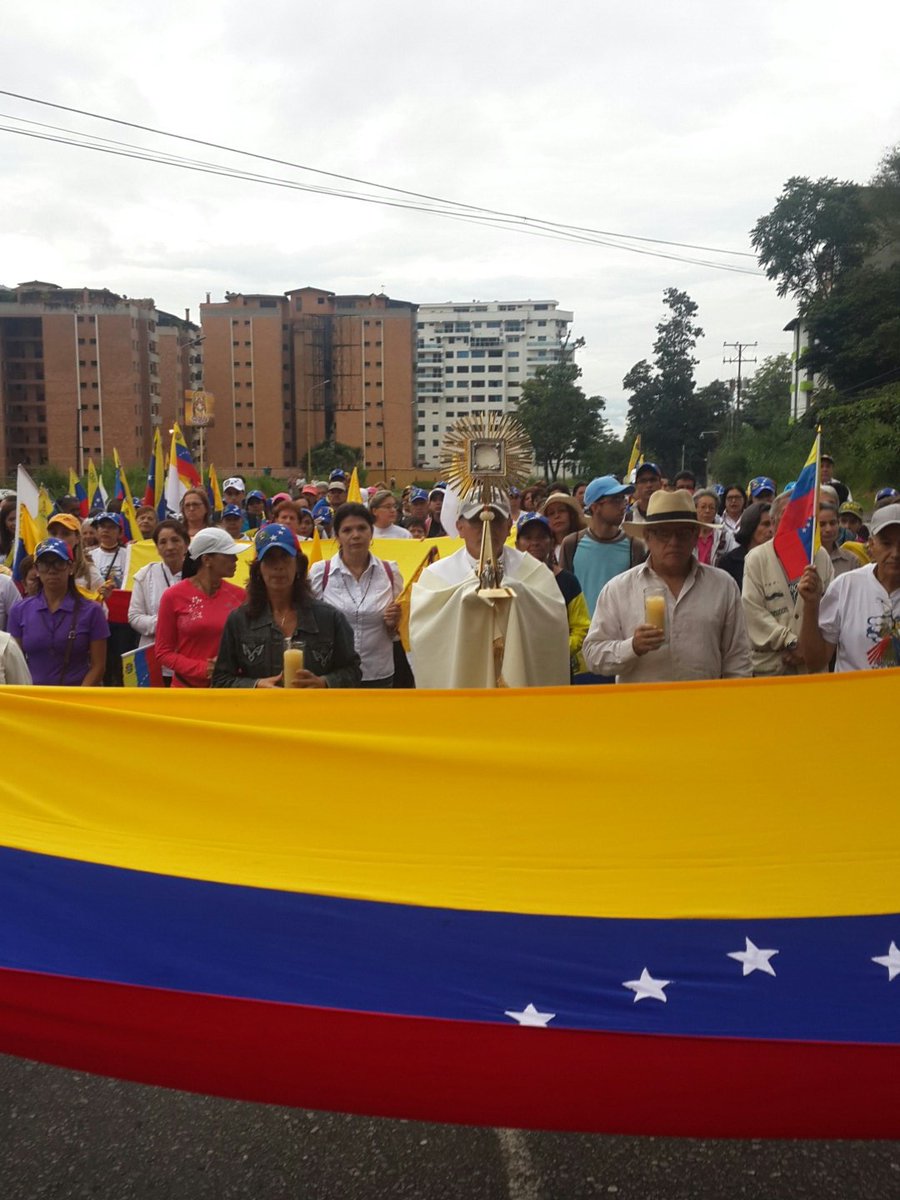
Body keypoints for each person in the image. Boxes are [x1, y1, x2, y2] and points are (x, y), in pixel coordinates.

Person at [581, 490, 751, 684]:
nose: (674, 542)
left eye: (683, 533)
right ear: (647, 537)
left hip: (703, 706)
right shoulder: (619, 589)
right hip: (642, 708)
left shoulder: (722, 586)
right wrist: (632, 647)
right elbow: (593, 655)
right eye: (663, 533)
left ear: (696, 536)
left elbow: (738, 659)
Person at [409, 493, 569, 688]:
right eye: (477, 521)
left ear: (509, 525)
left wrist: (519, 596)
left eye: (496, 520)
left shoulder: (535, 572)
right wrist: (461, 600)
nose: (487, 529)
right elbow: (423, 637)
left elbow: (554, 627)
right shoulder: (436, 576)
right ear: (460, 527)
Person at [212, 525, 361, 689]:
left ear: (298, 565)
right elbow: (220, 680)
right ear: (258, 569)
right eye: (270, 559)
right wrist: (256, 685)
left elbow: (353, 672)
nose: (278, 566)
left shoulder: (330, 618)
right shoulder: (239, 620)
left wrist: (324, 682)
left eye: (285, 557)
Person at [797, 503, 900, 672]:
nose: (896, 553)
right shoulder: (846, 586)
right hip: (853, 696)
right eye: (887, 543)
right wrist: (811, 606)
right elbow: (816, 662)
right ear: (871, 545)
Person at [308, 503, 402, 688]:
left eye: (361, 528)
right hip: (334, 675)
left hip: (378, 674)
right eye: (347, 530)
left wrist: (395, 623)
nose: (355, 535)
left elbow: (399, 632)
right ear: (337, 536)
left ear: (371, 532)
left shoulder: (390, 572)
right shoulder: (321, 573)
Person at [740, 490, 833, 677]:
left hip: (811, 669)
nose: (795, 522)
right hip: (772, 670)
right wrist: (790, 641)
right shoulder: (756, 559)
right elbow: (753, 612)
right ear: (773, 524)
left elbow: (830, 609)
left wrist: (808, 648)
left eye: (800, 516)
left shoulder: (820, 556)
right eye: (787, 517)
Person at [8, 537, 108, 686]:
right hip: (32, 700)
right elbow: (14, 663)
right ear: (36, 570)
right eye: (44, 564)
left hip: (76, 701)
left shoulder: (92, 611)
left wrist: (78, 696)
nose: (51, 570)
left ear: (71, 568)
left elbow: (98, 666)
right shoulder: (19, 611)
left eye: (59, 563)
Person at [155, 527, 245, 688]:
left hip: (230, 689)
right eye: (228, 555)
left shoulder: (241, 596)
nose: (236, 559)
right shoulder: (172, 596)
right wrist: (204, 669)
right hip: (185, 691)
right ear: (207, 560)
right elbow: (163, 652)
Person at [516, 513, 590, 681]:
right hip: (520, 668)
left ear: (551, 542)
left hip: (558, 669)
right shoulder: (509, 582)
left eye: (542, 537)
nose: (535, 543)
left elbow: (581, 627)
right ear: (517, 544)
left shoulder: (567, 581)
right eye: (528, 537)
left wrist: (558, 650)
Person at [559, 476, 645, 617]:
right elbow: (563, 592)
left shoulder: (634, 546)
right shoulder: (571, 543)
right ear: (595, 507)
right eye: (615, 500)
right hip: (581, 633)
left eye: (623, 499)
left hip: (618, 634)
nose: (623, 505)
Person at [128, 519, 189, 681]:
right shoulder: (145, 575)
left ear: (186, 544)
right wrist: (164, 624)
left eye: (175, 540)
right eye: (163, 542)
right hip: (154, 660)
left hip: (191, 659)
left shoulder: (200, 575)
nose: (169, 547)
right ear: (157, 548)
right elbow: (134, 616)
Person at [718, 502, 772, 592]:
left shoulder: (781, 559)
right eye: (766, 524)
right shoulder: (729, 562)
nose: (771, 529)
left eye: (774, 523)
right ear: (751, 526)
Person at [693, 489, 736, 567]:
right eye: (703, 507)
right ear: (695, 509)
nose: (707, 510)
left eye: (711, 508)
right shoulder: (688, 536)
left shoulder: (726, 537)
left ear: (716, 511)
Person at [820, 504, 863, 578]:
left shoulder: (852, 560)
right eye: (822, 524)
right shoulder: (805, 559)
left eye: (832, 523)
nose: (828, 529)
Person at [88, 513, 128, 591]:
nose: (106, 530)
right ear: (97, 530)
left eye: (111, 527)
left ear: (120, 533)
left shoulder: (129, 555)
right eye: (102, 526)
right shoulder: (90, 556)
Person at [541, 493, 586, 563]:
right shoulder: (546, 550)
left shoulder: (584, 543)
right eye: (551, 513)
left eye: (562, 510)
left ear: (571, 515)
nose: (557, 516)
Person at [627, 462, 663, 526]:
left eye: (653, 480)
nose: (649, 485)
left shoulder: (671, 513)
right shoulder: (628, 517)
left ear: (661, 484)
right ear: (636, 486)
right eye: (643, 481)